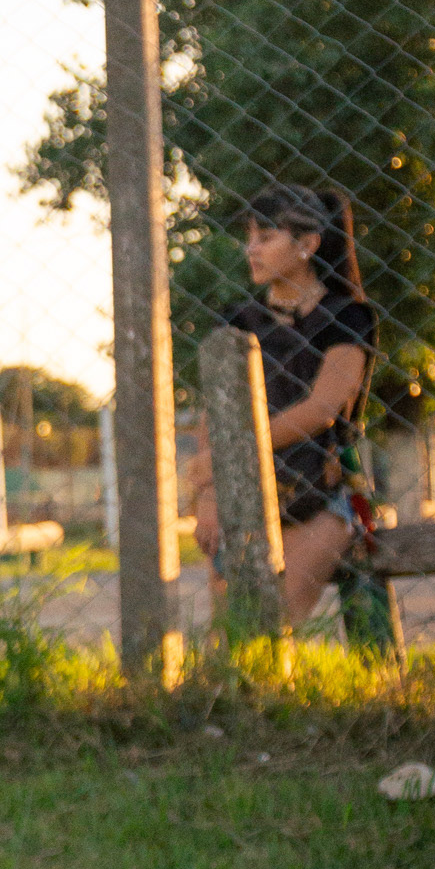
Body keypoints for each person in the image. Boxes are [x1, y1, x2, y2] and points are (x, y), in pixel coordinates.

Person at [182, 183, 375, 628]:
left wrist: (231, 456)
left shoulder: (348, 317)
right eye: (248, 238)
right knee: (232, 631)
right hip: (240, 490)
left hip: (319, 491)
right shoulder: (238, 318)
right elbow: (216, 415)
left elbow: (322, 408)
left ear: (307, 244)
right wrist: (208, 495)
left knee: (273, 623)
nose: (251, 249)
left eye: (265, 238)